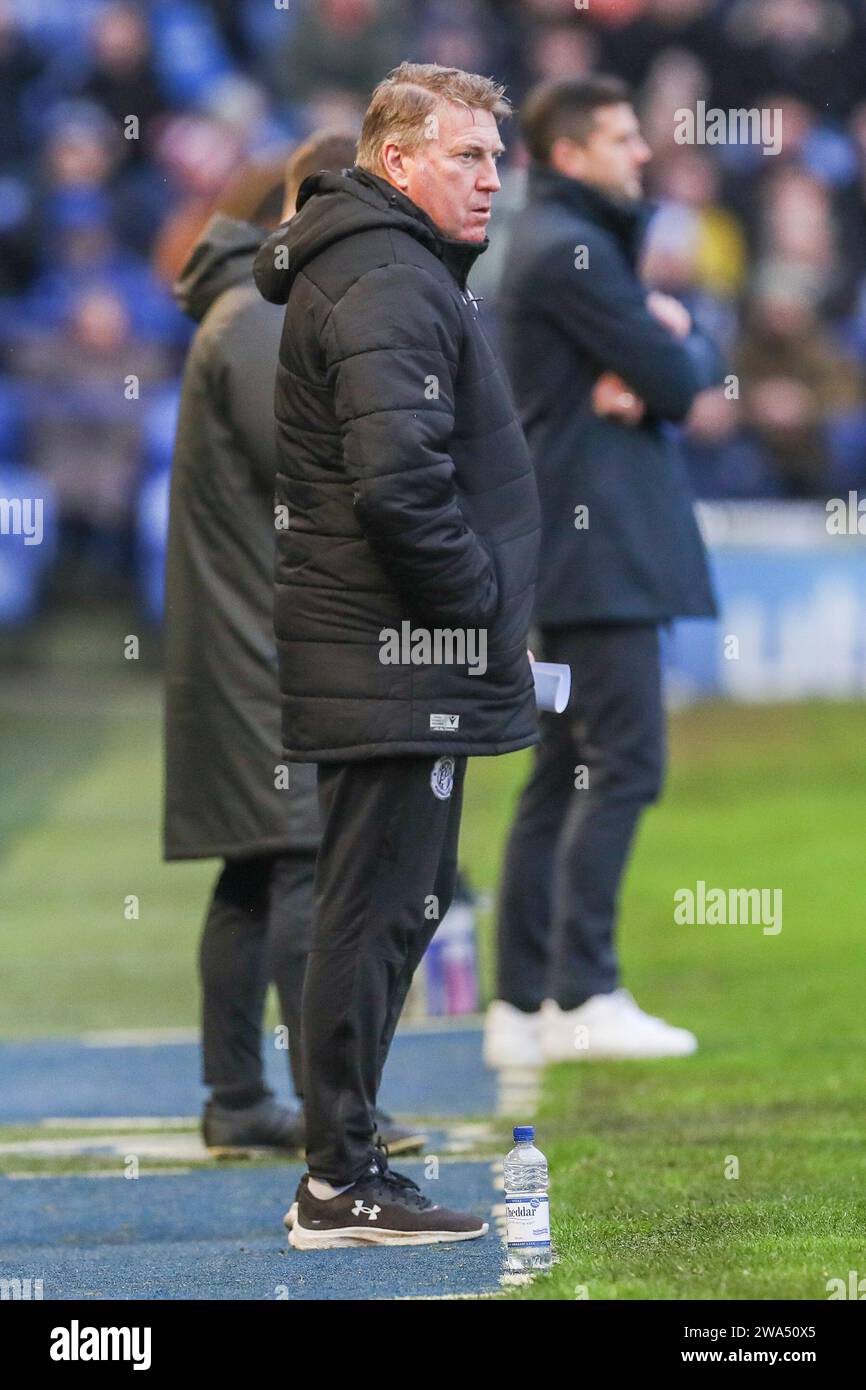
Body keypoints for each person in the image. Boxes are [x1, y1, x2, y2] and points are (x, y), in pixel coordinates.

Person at [254, 62, 540, 1248]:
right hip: (396, 650)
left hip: (393, 649)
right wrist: (476, 602)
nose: (489, 178)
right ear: (395, 159)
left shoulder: (386, 265)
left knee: (394, 908)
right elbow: (398, 485)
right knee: (376, 911)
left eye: (493, 156)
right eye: (466, 156)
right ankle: (340, 1178)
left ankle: (346, 1161)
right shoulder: (382, 273)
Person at [164, 131, 421, 1158]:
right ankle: (332, 1112)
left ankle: (236, 1099)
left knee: (254, 866)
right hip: (261, 641)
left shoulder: (239, 310)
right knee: (306, 861)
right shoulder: (261, 319)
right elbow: (322, 472)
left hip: (235, 636)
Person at [486, 76, 725, 1068]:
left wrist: (671, 339)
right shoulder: (570, 251)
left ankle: (523, 998)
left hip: (574, 548)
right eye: (622, 137)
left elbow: (682, 360)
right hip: (596, 556)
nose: (641, 153)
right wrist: (666, 340)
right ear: (571, 153)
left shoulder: (560, 244)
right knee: (620, 763)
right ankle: (582, 992)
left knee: (560, 771)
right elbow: (680, 377)